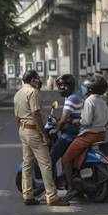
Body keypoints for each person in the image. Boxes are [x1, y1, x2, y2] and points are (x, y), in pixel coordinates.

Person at [14, 70, 69, 206]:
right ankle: (52, 196)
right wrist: (43, 134)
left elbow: (16, 116)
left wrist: (21, 130)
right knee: (46, 163)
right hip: (33, 131)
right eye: (37, 79)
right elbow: (36, 114)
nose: (39, 81)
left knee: (27, 163)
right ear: (32, 80)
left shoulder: (18, 94)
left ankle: (28, 195)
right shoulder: (33, 92)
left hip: (23, 129)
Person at [62, 74, 108, 201]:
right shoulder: (103, 101)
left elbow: (86, 121)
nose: (83, 89)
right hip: (101, 134)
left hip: (89, 135)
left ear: (90, 89)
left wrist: (75, 122)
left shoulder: (89, 101)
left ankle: (71, 188)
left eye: (85, 87)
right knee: (77, 156)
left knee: (66, 159)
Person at [51, 75, 83, 182]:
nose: (60, 88)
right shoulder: (72, 96)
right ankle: (66, 181)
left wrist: (56, 130)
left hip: (70, 134)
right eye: (59, 86)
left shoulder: (71, 98)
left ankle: (68, 186)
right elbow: (67, 117)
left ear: (68, 86)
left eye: (62, 86)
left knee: (52, 157)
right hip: (76, 131)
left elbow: (64, 120)